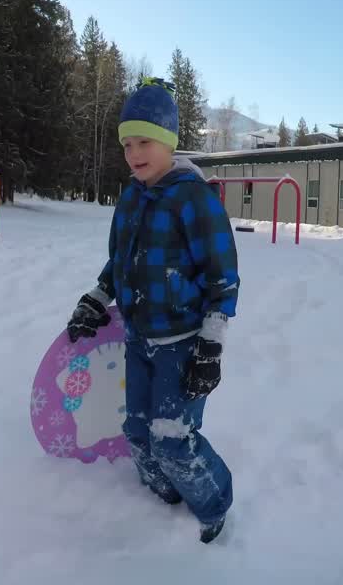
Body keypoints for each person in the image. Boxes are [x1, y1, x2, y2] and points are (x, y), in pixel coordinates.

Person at [66, 77, 238, 544]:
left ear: (168, 141)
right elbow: (118, 261)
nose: (133, 152)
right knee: (138, 433)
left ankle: (213, 505)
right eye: (126, 143)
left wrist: (210, 348)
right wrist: (96, 300)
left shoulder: (194, 199)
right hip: (138, 337)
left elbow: (223, 280)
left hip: (182, 344)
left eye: (144, 141)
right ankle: (163, 497)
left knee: (172, 438)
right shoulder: (132, 197)